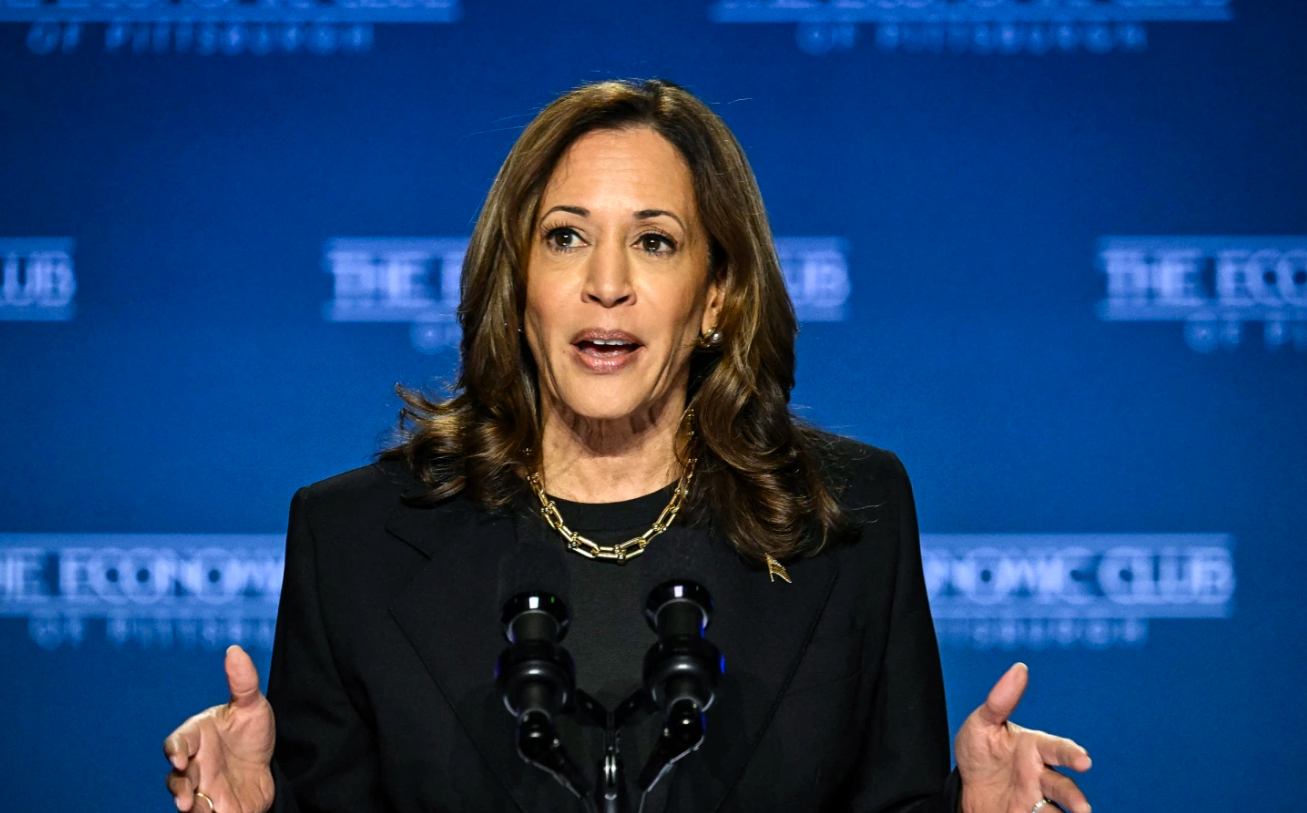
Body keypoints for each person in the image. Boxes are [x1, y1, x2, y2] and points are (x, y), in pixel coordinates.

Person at [163, 78, 1092, 813]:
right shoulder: (354, 538)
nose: (605, 282)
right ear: (517, 285)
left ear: (717, 295)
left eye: (654, 242)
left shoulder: (847, 517)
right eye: (565, 237)